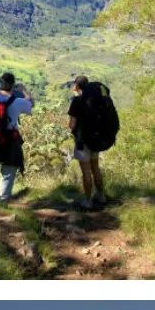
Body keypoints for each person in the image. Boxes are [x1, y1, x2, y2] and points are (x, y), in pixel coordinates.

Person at [0, 72, 33, 203]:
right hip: (10, 141)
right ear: (13, 85)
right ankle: (2, 200)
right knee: (9, 171)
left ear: (1, 83)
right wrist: (24, 91)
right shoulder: (18, 102)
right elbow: (31, 104)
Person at [68, 75, 109, 210]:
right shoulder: (96, 99)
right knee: (95, 168)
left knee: (86, 171)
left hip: (82, 141)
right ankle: (101, 196)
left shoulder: (77, 101)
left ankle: (87, 200)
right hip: (95, 140)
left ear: (77, 86)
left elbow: (72, 125)